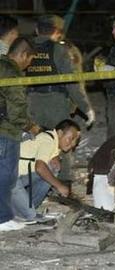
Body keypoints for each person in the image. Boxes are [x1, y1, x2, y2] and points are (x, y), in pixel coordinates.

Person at [26, 15, 95, 182]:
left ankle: (35, 182)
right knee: (63, 144)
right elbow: (72, 83)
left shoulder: (25, 47)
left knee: (33, 143)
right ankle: (64, 184)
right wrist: (85, 107)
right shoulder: (60, 50)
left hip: (31, 103)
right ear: (57, 31)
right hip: (55, 105)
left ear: (37, 30)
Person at [0, 37, 37, 231]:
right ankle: (2, 218)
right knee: (6, 175)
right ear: (23, 54)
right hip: (5, 129)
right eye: (29, 60)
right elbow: (16, 106)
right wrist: (28, 125)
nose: (28, 65)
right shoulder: (10, 70)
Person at [11, 119, 80, 221]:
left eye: (76, 141)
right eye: (71, 138)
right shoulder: (47, 140)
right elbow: (39, 167)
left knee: (52, 170)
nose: (73, 144)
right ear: (60, 133)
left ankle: (22, 209)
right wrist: (59, 186)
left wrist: (56, 157)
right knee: (30, 216)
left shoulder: (53, 142)